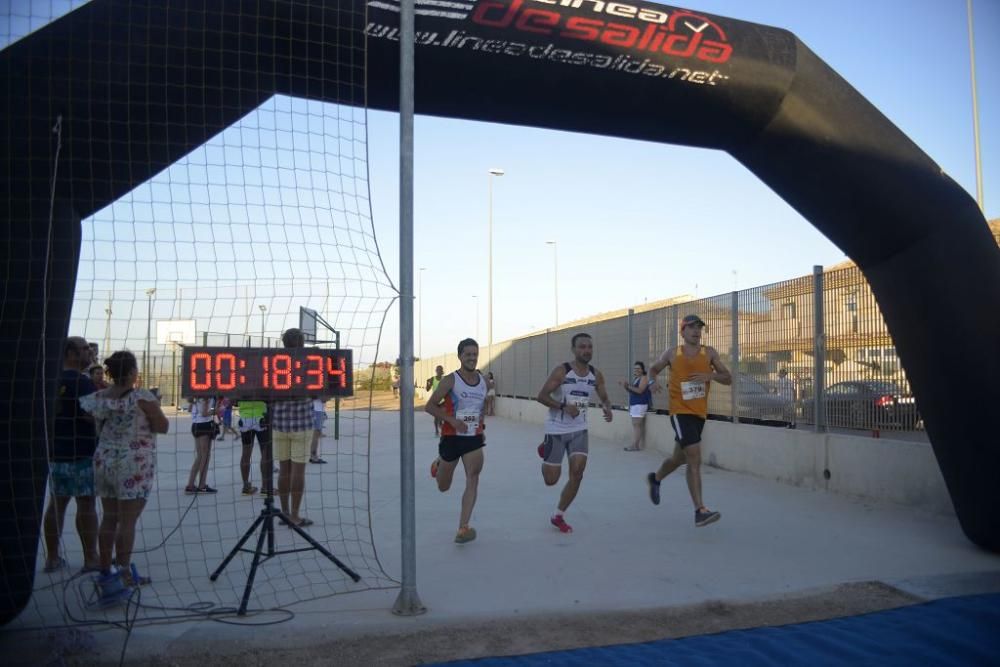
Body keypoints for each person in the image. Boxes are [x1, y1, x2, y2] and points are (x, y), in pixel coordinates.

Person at [80, 350, 168, 602]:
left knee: (109, 517)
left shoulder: (98, 397)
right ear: (131, 372)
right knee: (127, 522)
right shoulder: (142, 397)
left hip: (104, 460)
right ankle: (125, 573)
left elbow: (89, 417)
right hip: (133, 462)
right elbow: (162, 426)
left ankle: (106, 571)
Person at [645, 315, 732, 527]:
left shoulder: (709, 353)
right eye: (691, 327)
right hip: (679, 412)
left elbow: (728, 378)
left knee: (679, 458)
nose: (696, 331)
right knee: (694, 457)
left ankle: (655, 479)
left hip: (699, 414)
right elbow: (653, 370)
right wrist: (651, 382)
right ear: (682, 331)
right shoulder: (672, 353)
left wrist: (710, 376)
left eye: (699, 328)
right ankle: (700, 510)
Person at [535, 333, 613, 534]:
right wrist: (563, 406)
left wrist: (607, 407)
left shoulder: (596, 375)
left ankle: (558, 515)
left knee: (577, 473)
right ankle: (546, 449)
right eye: (582, 347)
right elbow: (541, 396)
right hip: (556, 429)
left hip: (579, 429)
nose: (586, 350)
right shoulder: (562, 372)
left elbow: (604, 396)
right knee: (551, 480)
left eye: (589, 347)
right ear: (573, 350)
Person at [42, 337, 99, 574]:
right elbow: (91, 414)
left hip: (56, 453)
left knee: (57, 503)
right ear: (71, 354)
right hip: (81, 453)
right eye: (85, 349)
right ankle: (90, 559)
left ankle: (52, 558)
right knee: (86, 505)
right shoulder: (81, 382)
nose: (90, 353)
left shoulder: (49, 380)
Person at [425, 339, 487, 544]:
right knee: (444, 486)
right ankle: (439, 463)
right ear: (460, 356)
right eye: (468, 354)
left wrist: (481, 426)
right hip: (451, 438)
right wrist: (452, 420)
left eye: (475, 354)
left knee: (473, 477)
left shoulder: (484, 381)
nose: (472, 357)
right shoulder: (450, 380)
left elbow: (480, 407)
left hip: (473, 438)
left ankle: (463, 528)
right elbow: (430, 406)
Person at [271, 328, 315, 527]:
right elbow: (319, 393)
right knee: (299, 472)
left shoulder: (273, 363)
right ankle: (295, 516)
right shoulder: (308, 363)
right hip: (302, 424)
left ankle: (284, 512)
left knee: (283, 471)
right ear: (302, 343)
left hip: (279, 424)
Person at [237, 400, 273, 495]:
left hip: (245, 418)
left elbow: (233, 400)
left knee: (245, 453)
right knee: (265, 452)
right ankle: (265, 487)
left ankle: (246, 486)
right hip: (260, 416)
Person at [185, 396, 217, 494]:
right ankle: (202, 485)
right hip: (204, 426)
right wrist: (216, 411)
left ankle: (190, 484)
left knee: (200, 456)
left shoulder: (195, 397)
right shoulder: (208, 397)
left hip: (195, 425)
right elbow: (204, 413)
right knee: (205, 456)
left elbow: (190, 409)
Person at [620, 361, 652, 451]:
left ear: (642, 369)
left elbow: (640, 390)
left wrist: (628, 386)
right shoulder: (636, 378)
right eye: (635, 368)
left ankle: (635, 445)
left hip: (640, 404)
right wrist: (625, 386)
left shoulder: (644, 378)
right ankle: (635, 444)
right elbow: (632, 391)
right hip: (635, 404)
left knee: (637, 425)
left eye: (638, 368)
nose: (636, 370)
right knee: (635, 425)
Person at [309, 397, 327, 464]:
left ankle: (311, 455)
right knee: (315, 433)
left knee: (314, 433)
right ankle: (313, 456)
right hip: (316, 410)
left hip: (316, 409)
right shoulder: (319, 388)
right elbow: (323, 399)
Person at [429, 365, 445, 436]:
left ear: (442, 371)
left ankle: (442, 428)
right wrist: (428, 383)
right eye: (438, 370)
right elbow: (427, 389)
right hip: (435, 401)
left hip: (443, 401)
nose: (439, 371)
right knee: (436, 417)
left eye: (440, 370)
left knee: (442, 416)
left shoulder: (444, 379)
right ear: (436, 371)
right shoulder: (433, 379)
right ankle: (436, 431)